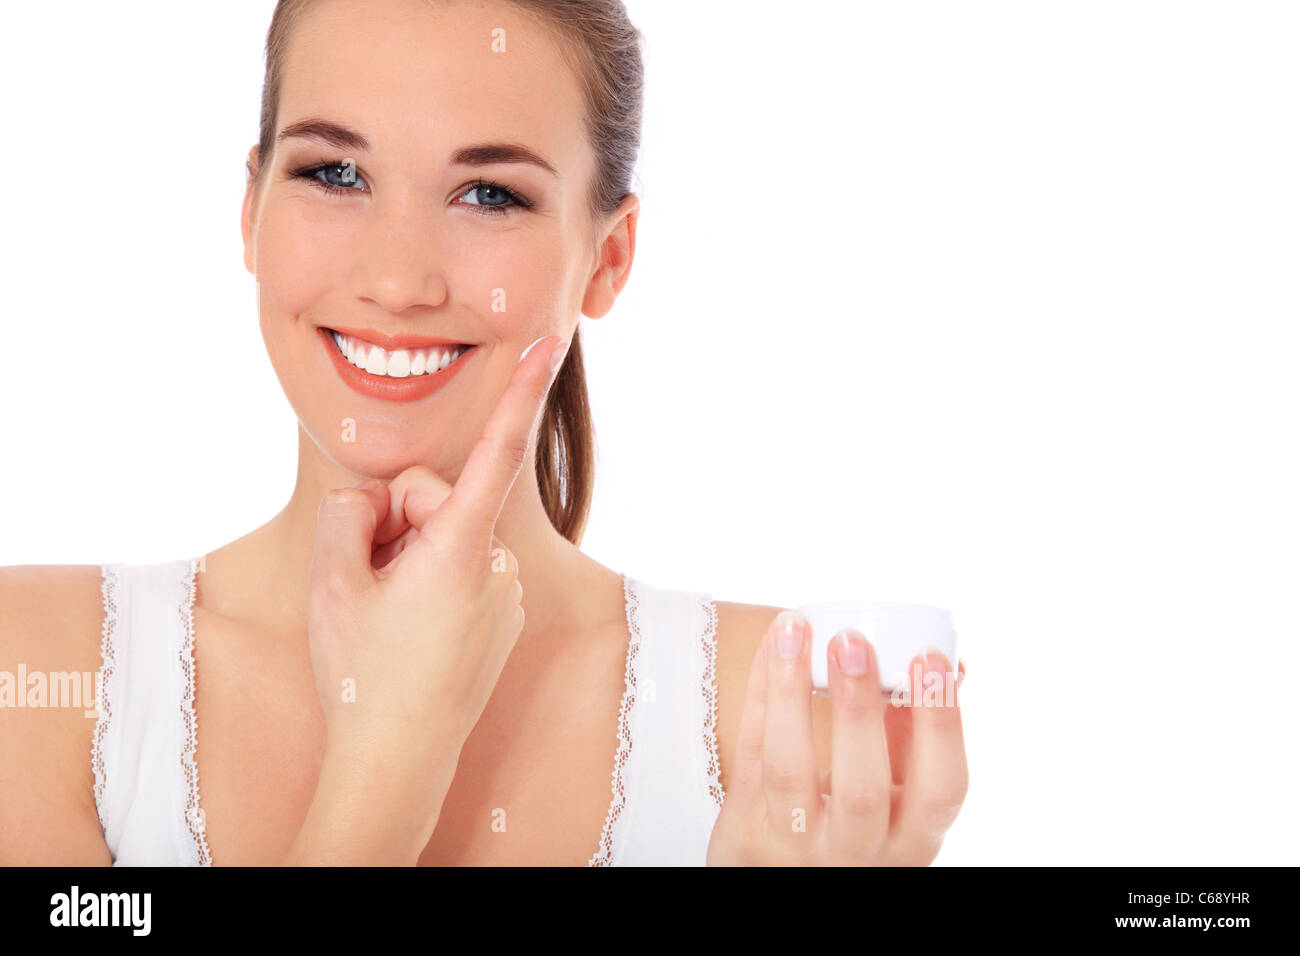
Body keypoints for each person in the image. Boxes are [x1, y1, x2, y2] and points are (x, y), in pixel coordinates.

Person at [0, 0, 967, 866]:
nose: (397, 281)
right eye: (334, 173)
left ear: (608, 257)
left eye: (489, 194)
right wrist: (385, 757)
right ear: (251, 211)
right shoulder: (39, 672)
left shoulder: (784, 717)